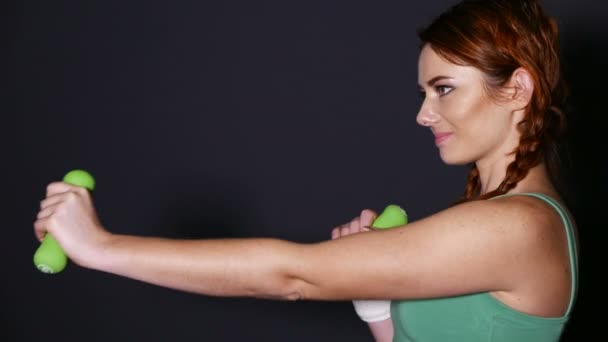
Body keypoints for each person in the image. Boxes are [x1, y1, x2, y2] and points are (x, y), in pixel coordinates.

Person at [34, 0, 578, 341]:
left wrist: (100, 248)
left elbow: (293, 276)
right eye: (423, 92)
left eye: (443, 89)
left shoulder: (520, 226)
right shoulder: (485, 220)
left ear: (517, 89)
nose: (422, 113)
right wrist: (375, 307)